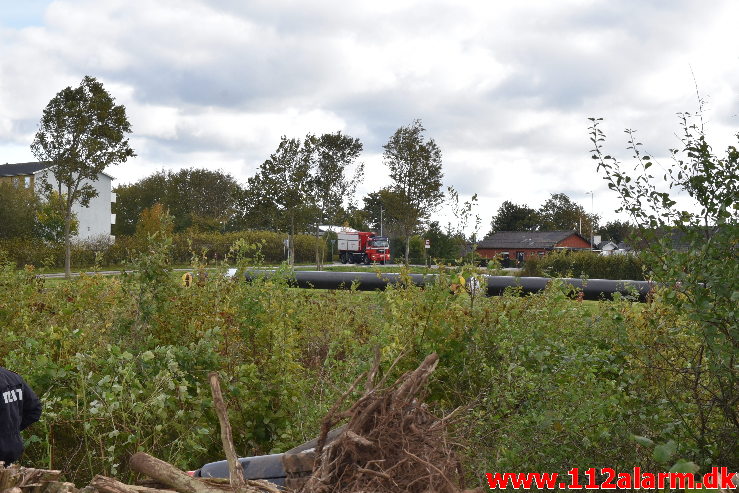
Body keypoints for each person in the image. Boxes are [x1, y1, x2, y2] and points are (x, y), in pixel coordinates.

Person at [0, 366, 42, 466]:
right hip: (12, 449)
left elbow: (34, 410)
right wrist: (11, 432)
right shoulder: (13, 377)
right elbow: (34, 409)